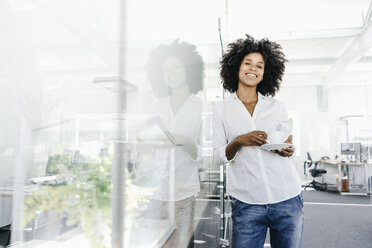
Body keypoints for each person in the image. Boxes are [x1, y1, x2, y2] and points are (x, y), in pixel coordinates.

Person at [213, 35, 304, 248]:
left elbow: (287, 142)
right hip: (247, 203)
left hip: (287, 197)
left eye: (259, 66)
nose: (253, 69)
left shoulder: (277, 106)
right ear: (236, 66)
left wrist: (288, 149)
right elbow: (217, 157)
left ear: (265, 73)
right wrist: (238, 141)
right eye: (248, 63)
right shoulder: (221, 109)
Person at [138, 40, 204, 247]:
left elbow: (202, 154)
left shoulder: (201, 107)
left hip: (184, 192)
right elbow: (143, 147)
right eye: (166, 69)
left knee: (181, 244)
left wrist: (182, 140)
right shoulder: (155, 107)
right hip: (156, 191)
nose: (171, 72)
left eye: (177, 66)